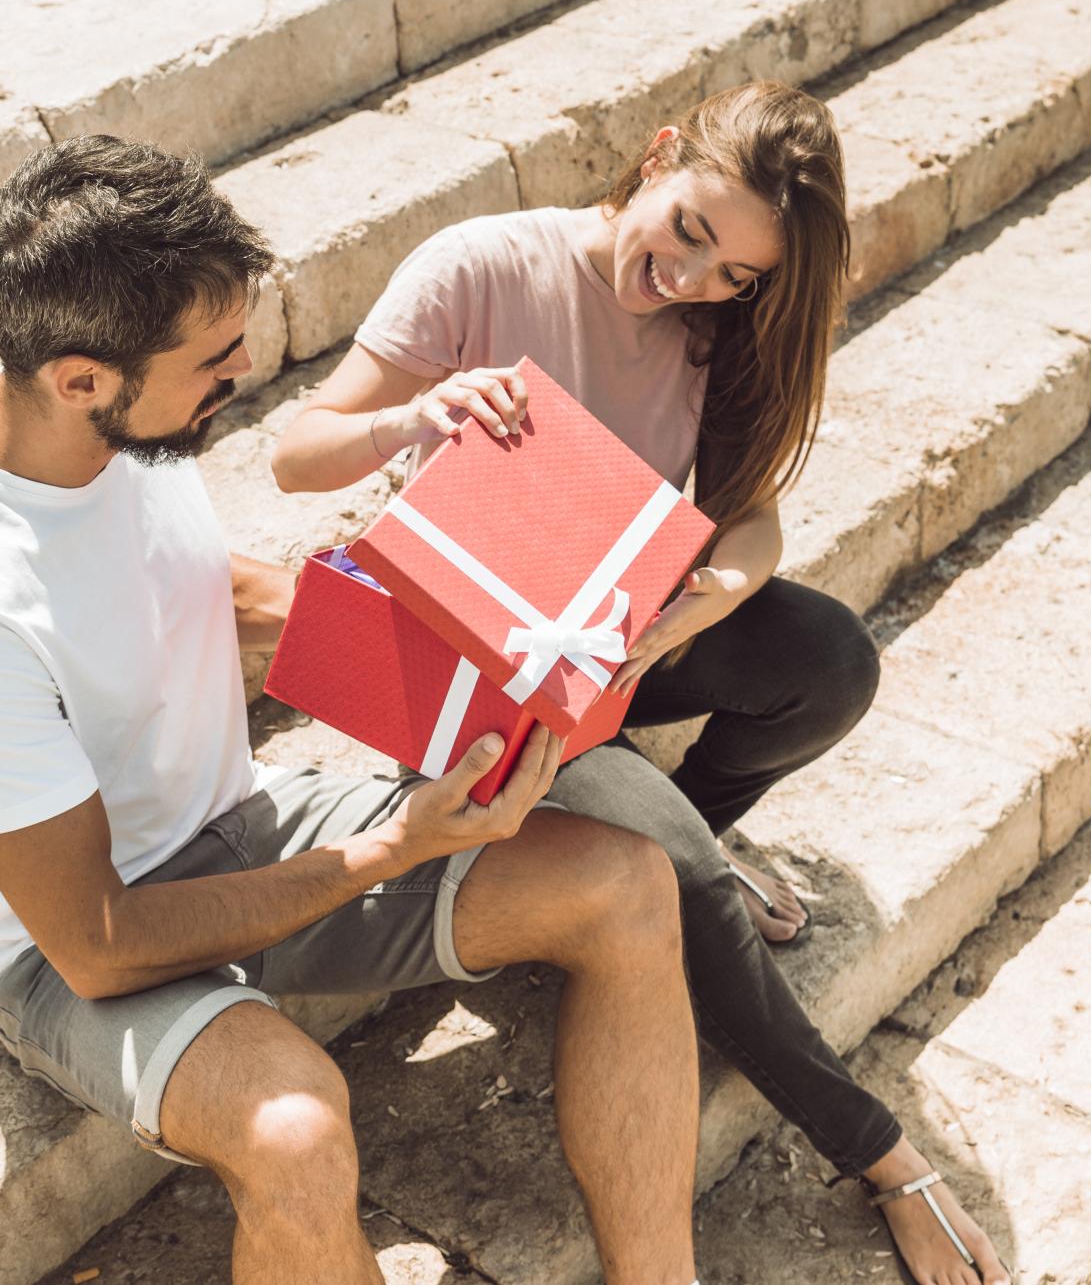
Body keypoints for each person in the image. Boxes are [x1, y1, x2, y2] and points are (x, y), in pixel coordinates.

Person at [0, 135, 706, 1285]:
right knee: (298, 1129)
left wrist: (517, 646)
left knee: (624, 883)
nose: (246, 368)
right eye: (215, 357)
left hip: (237, 819)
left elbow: (211, 589)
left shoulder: (104, 421)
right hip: (71, 956)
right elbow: (100, 944)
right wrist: (389, 848)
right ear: (81, 377)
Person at [270, 82, 1011, 1285]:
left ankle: (690, 833)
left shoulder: (712, 336)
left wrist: (711, 593)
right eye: (689, 230)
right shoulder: (482, 263)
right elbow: (295, 451)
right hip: (471, 681)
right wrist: (419, 413)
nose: (689, 278)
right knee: (686, 896)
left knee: (827, 660)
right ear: (658, 154)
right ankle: (879, 1154)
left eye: (731, 273)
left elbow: (754, 522)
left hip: (617, 655)